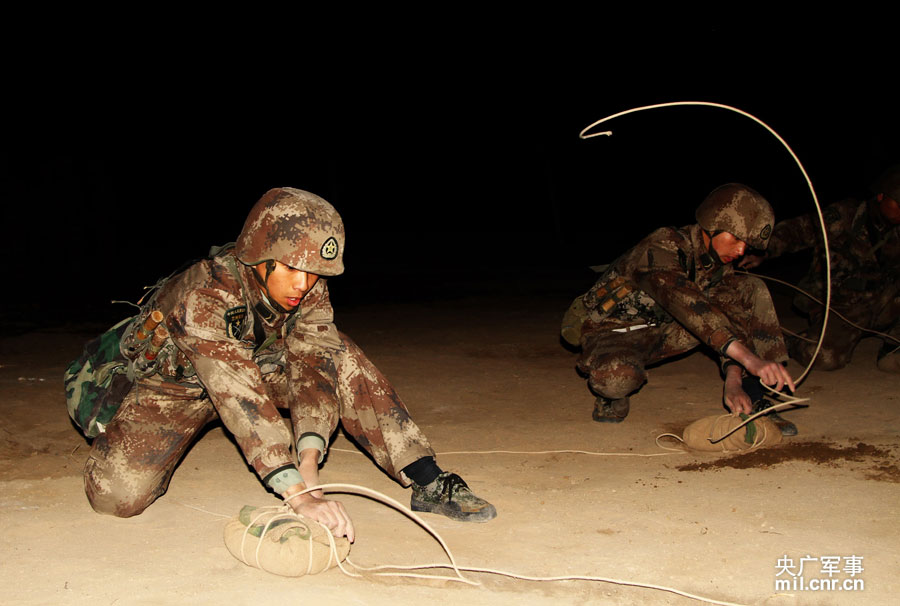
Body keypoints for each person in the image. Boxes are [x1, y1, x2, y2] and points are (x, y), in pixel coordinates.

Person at [79, 187, 497, 540]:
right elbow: (238, 396)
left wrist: (309, 457)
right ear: (261, 255)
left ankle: (424, 476)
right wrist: (296, 493)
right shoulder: (204, 294)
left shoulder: (307, 284)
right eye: (295, 269)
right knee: (116, 499)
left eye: (315, 273)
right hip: (175, 387)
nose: (304, 284)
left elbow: (313, 362)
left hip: (256, 366)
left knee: (339, 352)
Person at [561, 183, 798, 434]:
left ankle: (757, 394)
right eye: (736, 238)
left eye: (746, 245)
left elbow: (731, 316)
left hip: (665, 332)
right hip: (614, 334)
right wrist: (749, 359)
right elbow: (690, 307)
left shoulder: (716, 264)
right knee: (617, 377)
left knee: (748, 288)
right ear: (712, 224)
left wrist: (734, 379)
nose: (740, 250)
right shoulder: (661, 247)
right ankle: (612, 397)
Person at [740, 164, 900, 373]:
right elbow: (797, 231)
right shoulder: (846, 215)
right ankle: (792, 342)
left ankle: (892, 346)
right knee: (824, 357)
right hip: (842, 304)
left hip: (883, 302)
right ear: (880, 196)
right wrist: (763, 251)